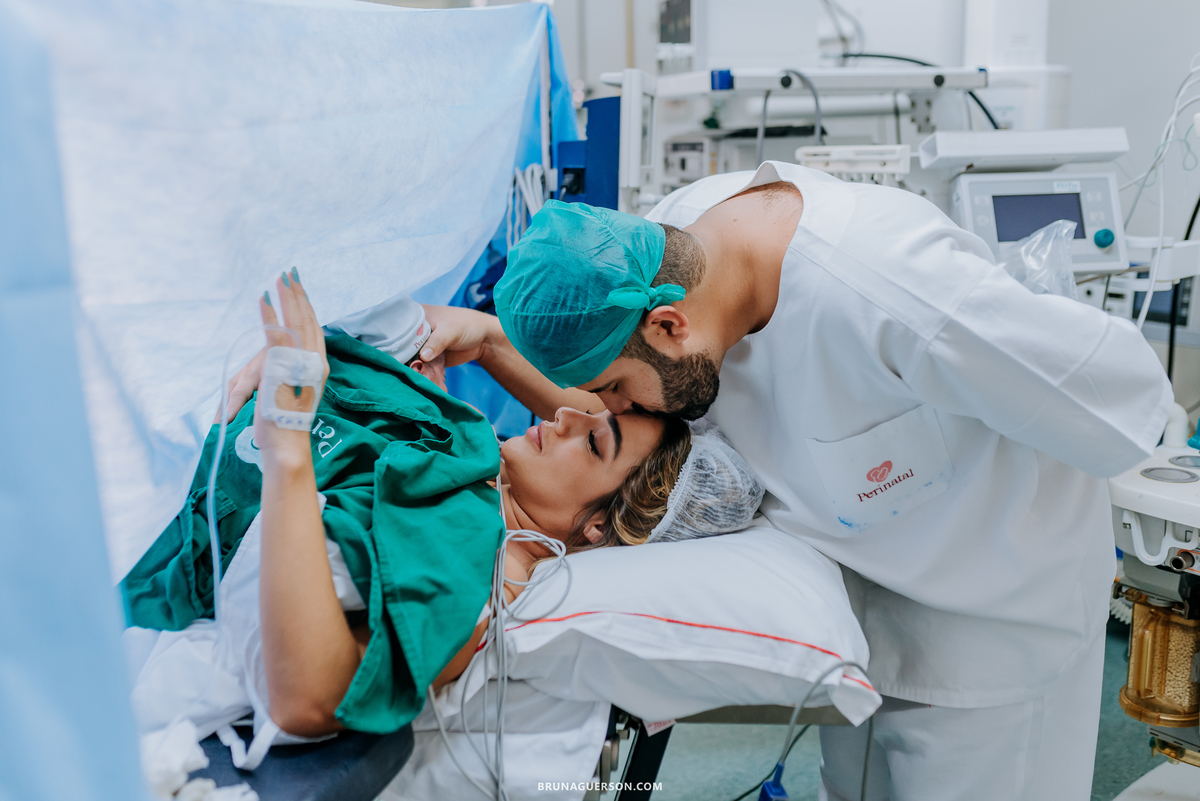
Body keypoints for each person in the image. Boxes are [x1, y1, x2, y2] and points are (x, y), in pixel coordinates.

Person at [416, 164, 1173, 800]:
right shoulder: (671, 250)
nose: (599, 409)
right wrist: (489, 342)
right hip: (869, 617)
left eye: (614, 390)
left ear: (671, 326)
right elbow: (619, 432)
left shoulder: (895, 292)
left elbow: (1125, 400)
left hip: (996, 621)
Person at [121, 270, 761, 761]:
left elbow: (309, 700)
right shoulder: (468, 459)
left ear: (598, 526)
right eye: (591, 411)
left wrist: (290, 442)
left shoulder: (480, 569)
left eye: (593, 442)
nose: (563, 417)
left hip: (143, 533)